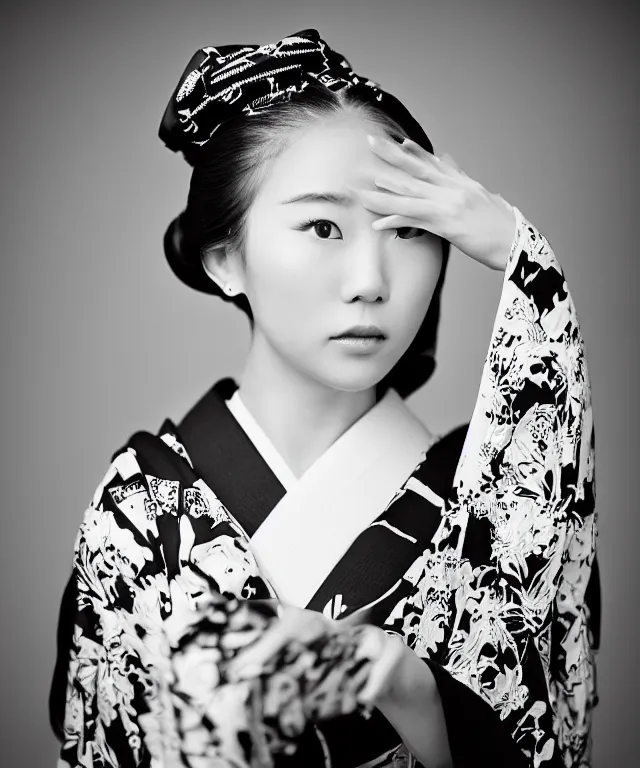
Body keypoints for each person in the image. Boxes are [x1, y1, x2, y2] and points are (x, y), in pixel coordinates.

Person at [49, 28, 599, 768]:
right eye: (322, 226)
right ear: (224, 258)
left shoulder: (493, 506)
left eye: (408, 229)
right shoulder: (137, 511)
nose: (370, 278)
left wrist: (411, 689)